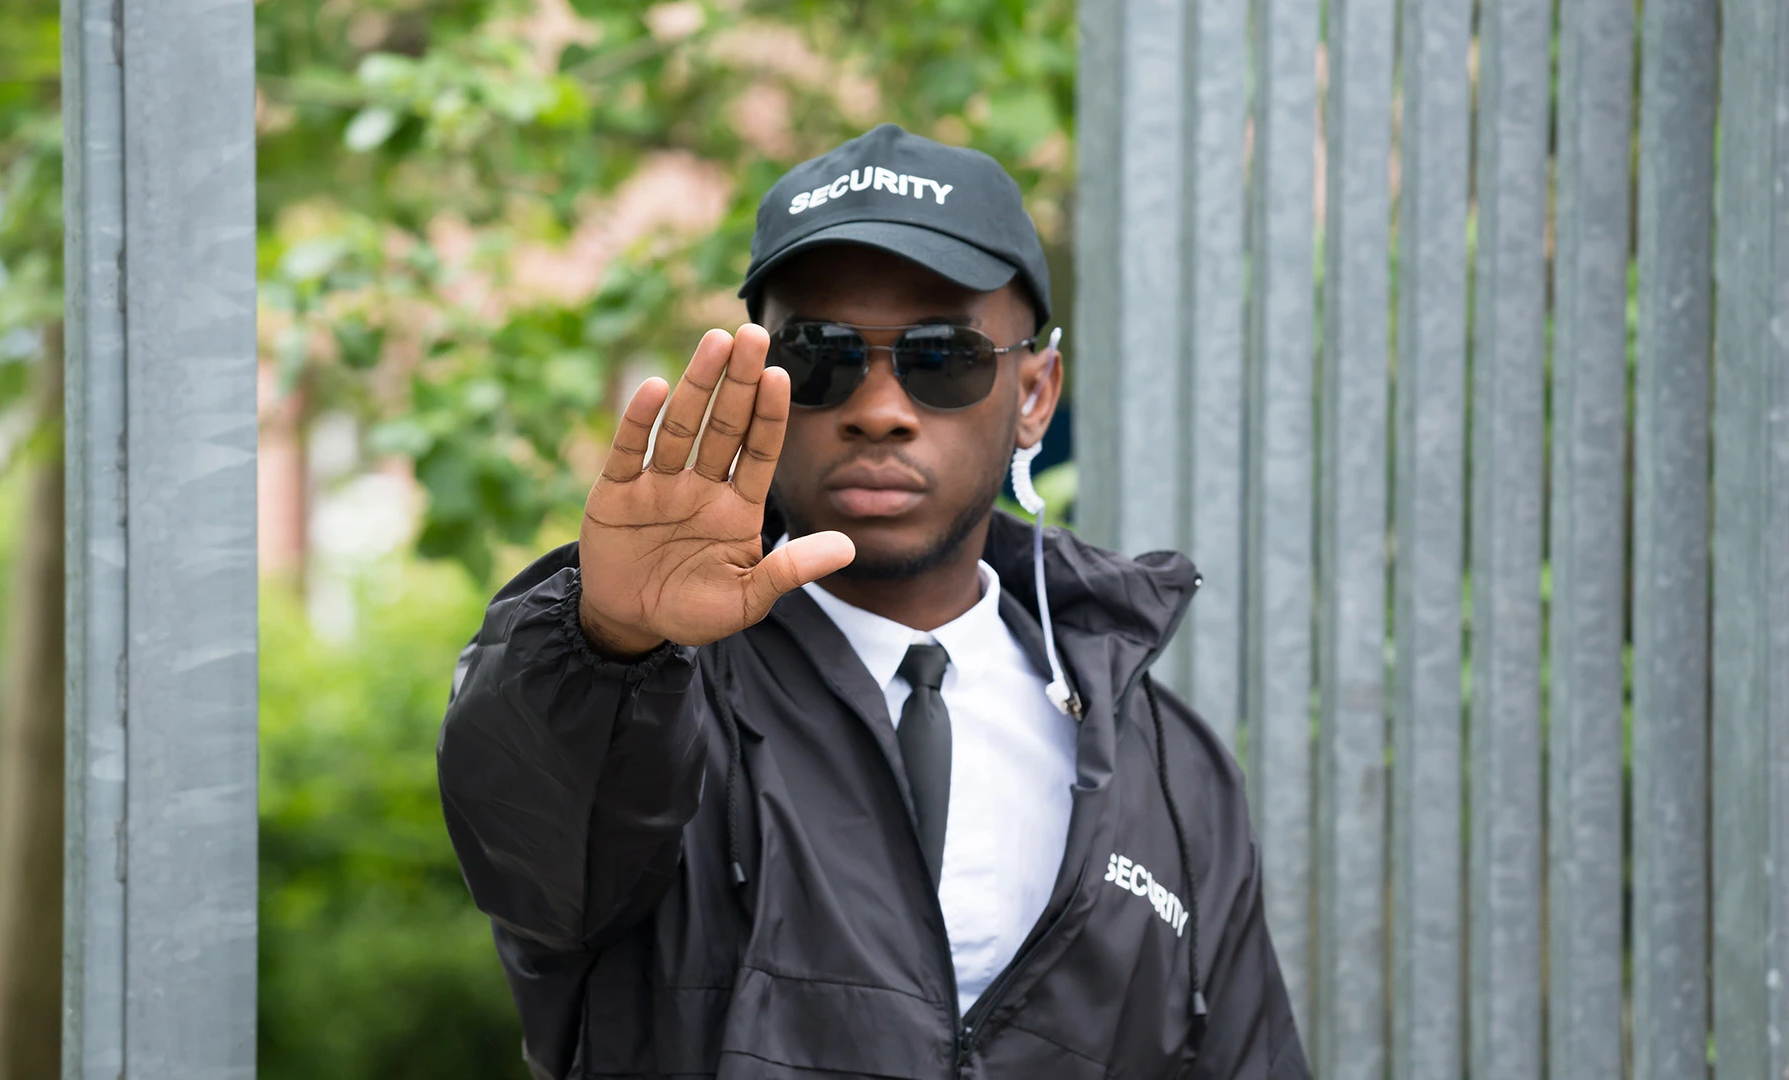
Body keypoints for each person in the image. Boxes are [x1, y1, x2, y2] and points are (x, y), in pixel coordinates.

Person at [438, 123, 1309, 1079]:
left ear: (1035, 392)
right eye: (820, 355)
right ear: (756, 376)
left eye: (943, 355)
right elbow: (532, 856)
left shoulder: (1168, 770)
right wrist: (608, 644)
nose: (879, 406)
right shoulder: (650, 701)